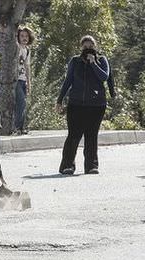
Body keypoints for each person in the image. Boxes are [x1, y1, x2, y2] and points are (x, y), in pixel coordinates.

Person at [55, 35, 114, 175]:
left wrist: (94, 63)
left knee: (91, 136)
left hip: (96, 105)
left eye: (91, 46)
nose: (88, 49)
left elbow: (104, 77)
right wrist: (59, 100)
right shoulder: (75, 61)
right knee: (73, 135)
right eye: (85, 46)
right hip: (76, 104)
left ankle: (91, 166)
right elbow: (68, 80)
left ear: (95, 47)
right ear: (81, 47)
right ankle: (67, 165)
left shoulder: (102, 60)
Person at [13, 26, 35, 135]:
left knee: (23, 103)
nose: (24, 38)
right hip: (15, 79)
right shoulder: (16, 47)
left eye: (26, 36)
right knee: (20, 102)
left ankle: (21, 127)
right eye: (22, 36)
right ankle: (17, 127)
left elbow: (27, 66)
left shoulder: (27, 50)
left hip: (23, 79)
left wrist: (29, 82)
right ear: (18, 37)